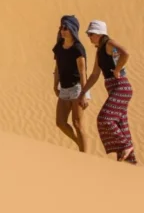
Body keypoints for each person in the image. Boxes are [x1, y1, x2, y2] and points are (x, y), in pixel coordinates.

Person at [82, 20, 137, 164]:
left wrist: (117, 70)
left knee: (104, 119)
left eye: (91, 34)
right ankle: (130, 163)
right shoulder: (100, 51)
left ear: (99, 34)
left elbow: (125, 53)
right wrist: (83, 91)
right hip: (115, 89)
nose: (89, 37)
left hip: (121, 88)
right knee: (121, 126)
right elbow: (95, 74)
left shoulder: (109, 43)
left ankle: (126, 146)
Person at [51, 15, 88, 152]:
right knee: (60, 122)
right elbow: (57, 67)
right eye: (61, 27)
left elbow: (83, 72)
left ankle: (85, 154)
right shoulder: (59, 47)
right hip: (64, 88)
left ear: (72, 30)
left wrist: (84, 94)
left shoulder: (78, 49)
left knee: (77, 123)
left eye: (65, 28)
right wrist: (55, 85)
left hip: (77, 88)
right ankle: (79, 144)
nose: (62, 30)